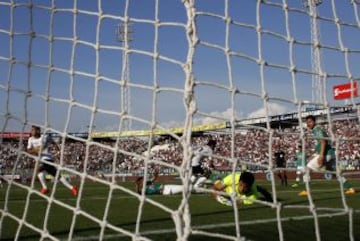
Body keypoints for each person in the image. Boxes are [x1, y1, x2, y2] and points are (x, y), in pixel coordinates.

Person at [299, 115, 355, 196]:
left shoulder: (317, 129)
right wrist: (315, 154)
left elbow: (323, 142)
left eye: (310, 122)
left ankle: (307, 190)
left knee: (307, 169)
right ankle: (350, 188)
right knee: (336, 173)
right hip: (330, 154)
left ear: (314, 122)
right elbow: (321, 143)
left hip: (326, 154)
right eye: (307, 122)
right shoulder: (317, 129)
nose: (308, 124)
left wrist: (321, 156)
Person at [27, 125, 78, 196]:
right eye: (31, 130)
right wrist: (35, 150)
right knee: (57, 176)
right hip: (40, 159)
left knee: (38, 170)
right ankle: (72, 188)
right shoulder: (30, 139)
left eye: (33, 130)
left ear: (38, 131)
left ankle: (45, 188)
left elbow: (49, 144)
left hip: (47, 159)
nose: (31, 131)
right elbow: (29, 151)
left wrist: (58, 149)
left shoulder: (44, 137)